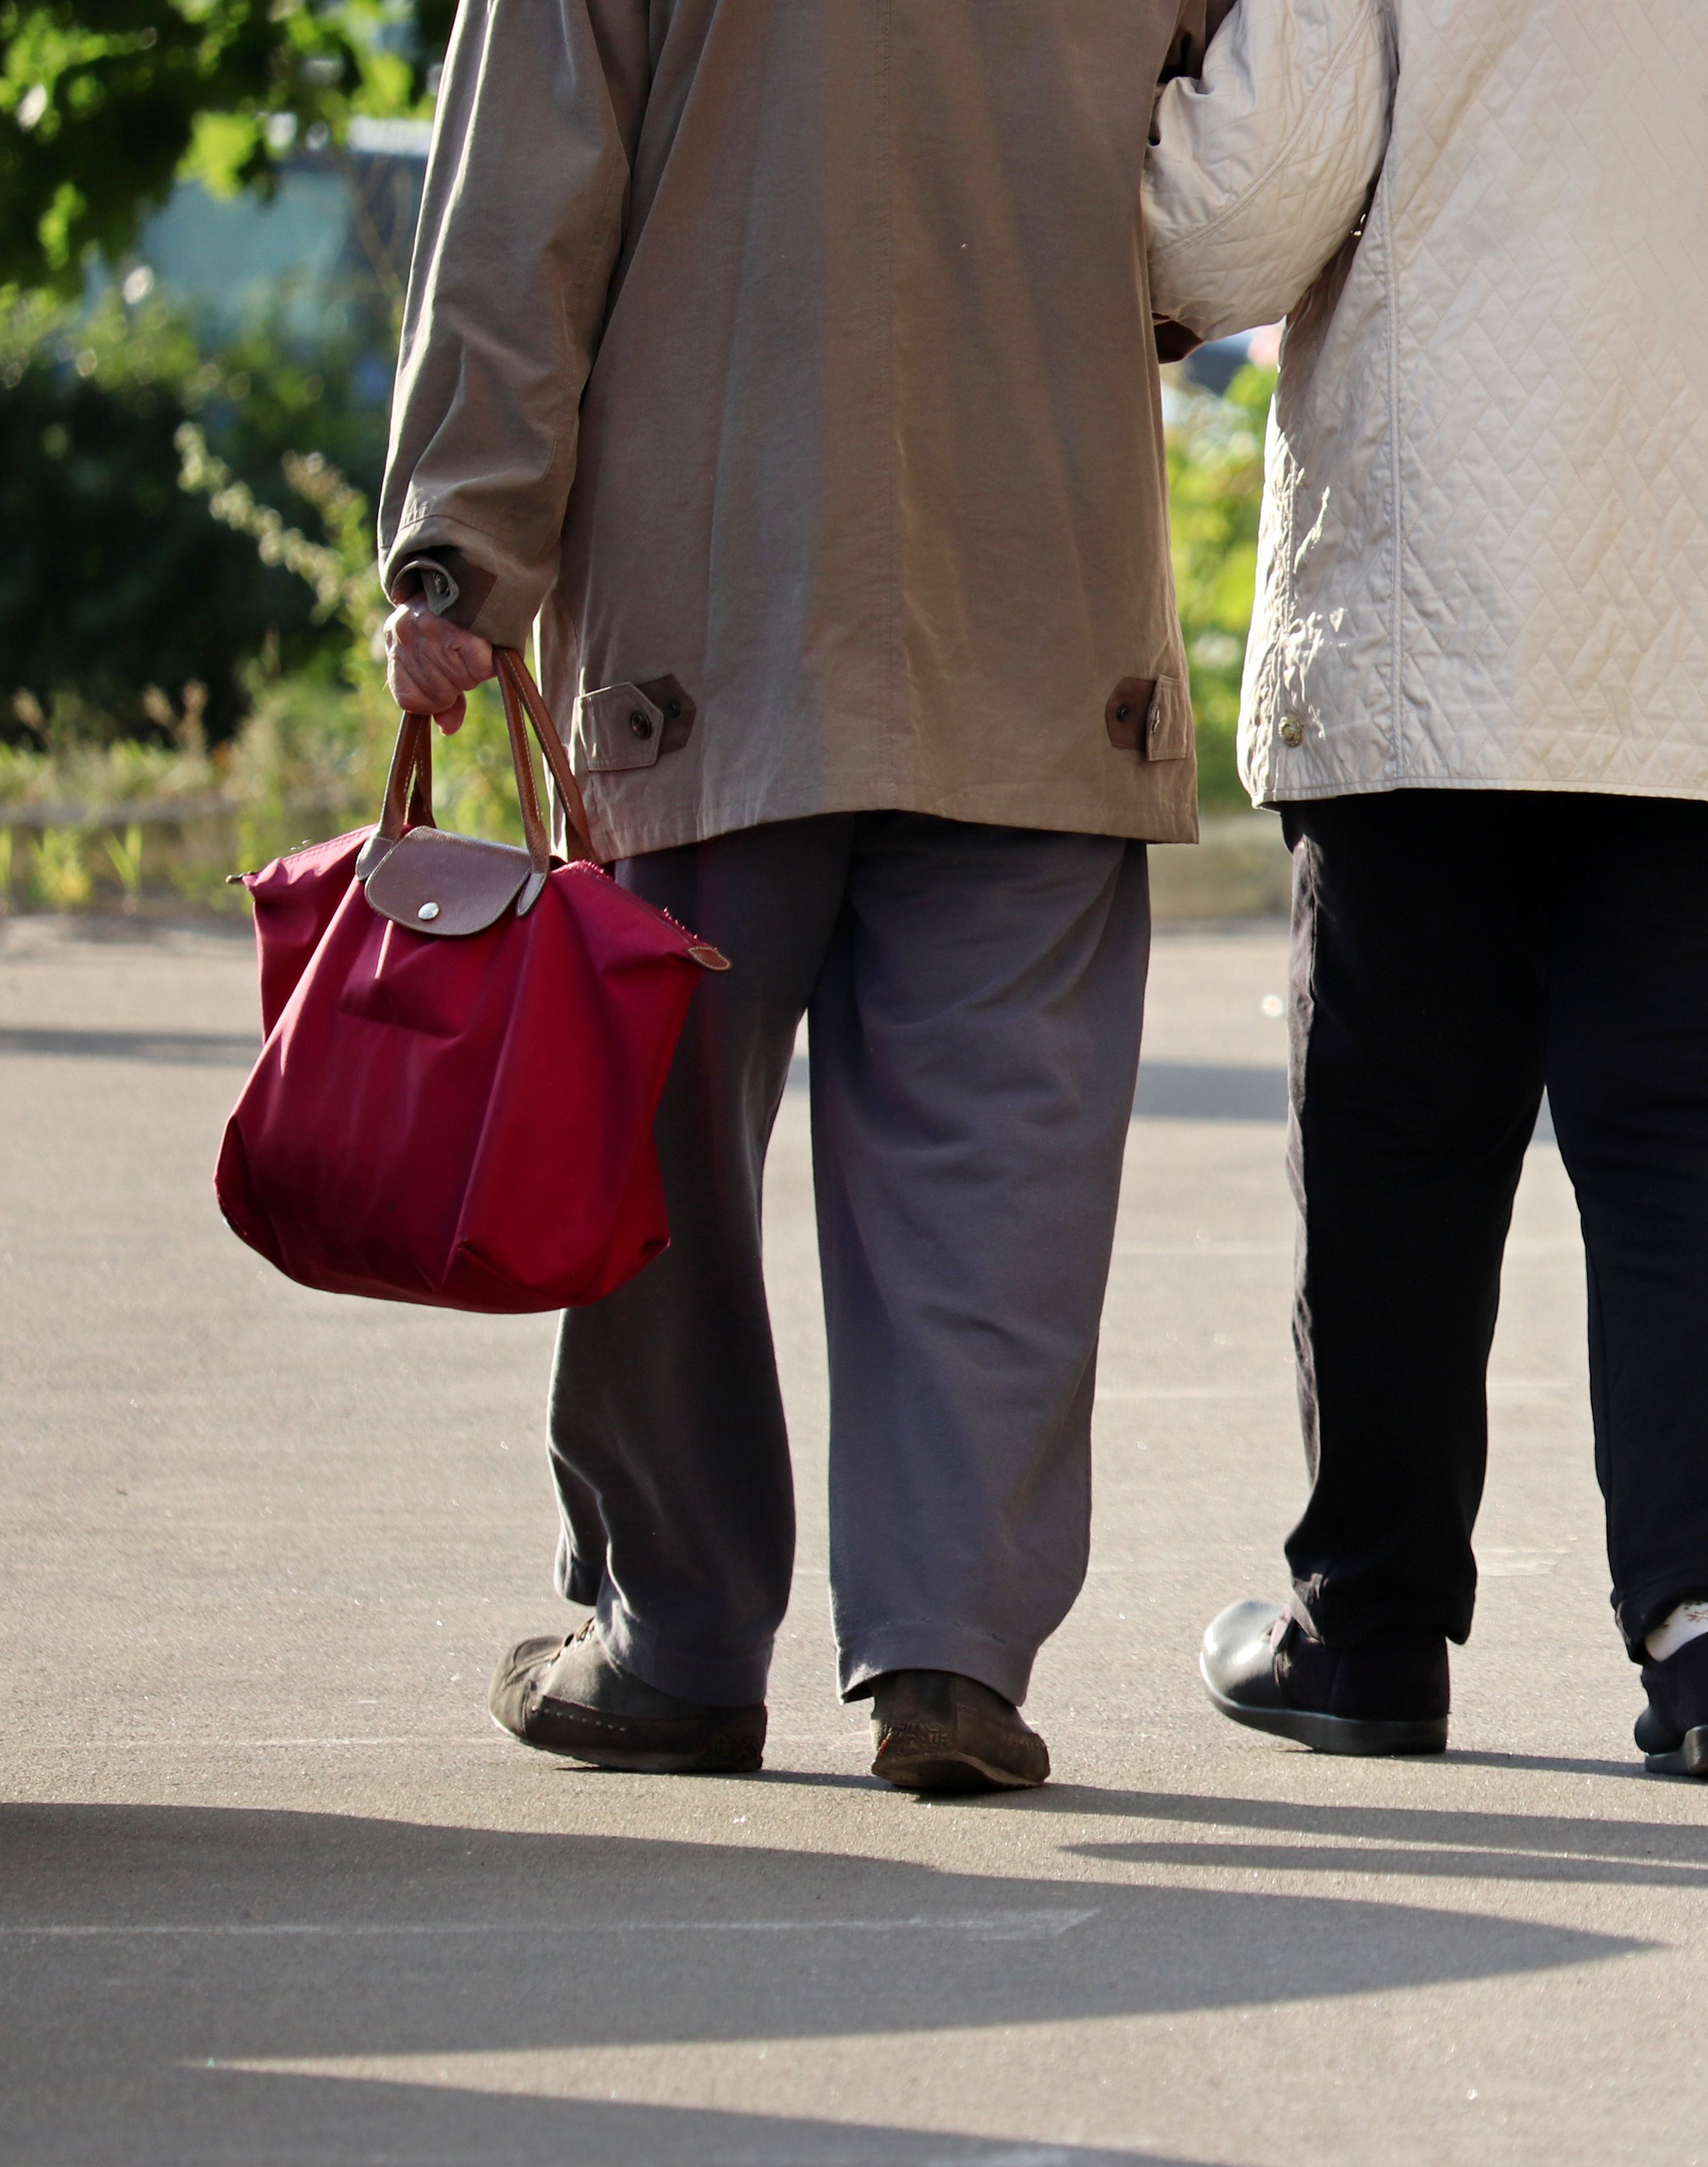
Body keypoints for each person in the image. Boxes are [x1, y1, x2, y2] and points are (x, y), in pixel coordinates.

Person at [1143, 0, 1708, 1777]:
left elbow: (1230, 222)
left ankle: (1373, 1634)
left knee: (1401, 1128)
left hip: (1433, 622)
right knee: (1704, 1121)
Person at [376, 1, 1217, 1792]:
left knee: (661, 1146)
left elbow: (525, 198)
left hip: (719, 588)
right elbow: (1265, 145)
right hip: (1047, 583)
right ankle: (950, 1657)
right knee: (1004, 1157)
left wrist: (463, 541)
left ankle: (678, 1646)